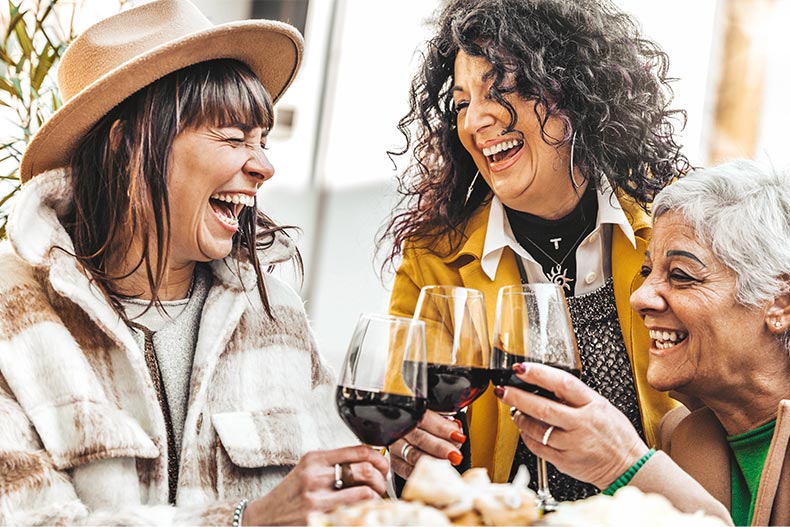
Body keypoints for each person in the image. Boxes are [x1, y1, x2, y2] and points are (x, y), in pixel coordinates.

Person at [0, 1, 387, 525]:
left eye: (263, 141)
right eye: (233, 138)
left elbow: (347, 503)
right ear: (127, 149)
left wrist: (396, 468)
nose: (265, 166)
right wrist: (243, 521)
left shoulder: (276, 316)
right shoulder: (12, 314)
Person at [380, 0, 689, 500]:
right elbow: (405, 440)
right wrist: (408, 445)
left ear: (574, 90)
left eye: (500, 90)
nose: (476, 121)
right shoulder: (434, 260)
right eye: (461, 103)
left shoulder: (675, 229)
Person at [498, 159, 790, 525]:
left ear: (779, 302)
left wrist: (624, 463)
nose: (639, 297)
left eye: (682, 275)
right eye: (647, 271)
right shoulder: (685, 439)